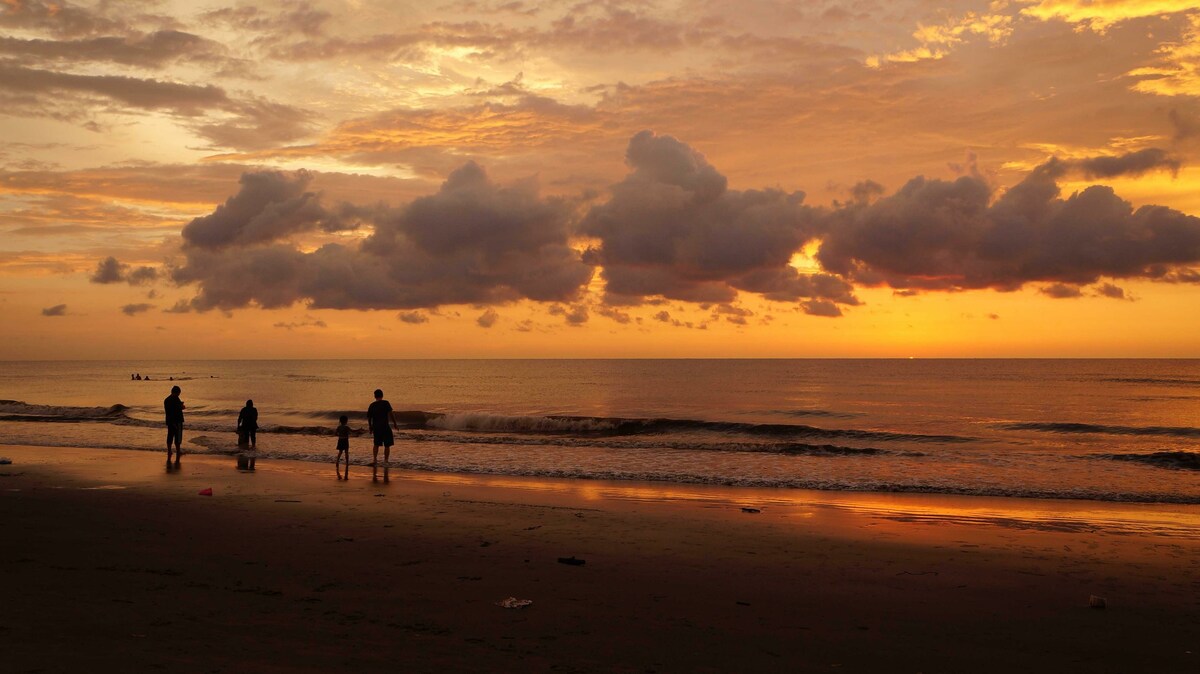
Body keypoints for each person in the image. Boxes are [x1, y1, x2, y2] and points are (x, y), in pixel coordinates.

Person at [367, 389, 398, 469]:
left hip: (376, 427)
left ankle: (374, 460)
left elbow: (369, 418)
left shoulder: (372, 405)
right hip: (385, 426)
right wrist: (395, 423)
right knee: (387, 445)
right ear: (382, 395)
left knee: (376, 444)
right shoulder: (385, 403)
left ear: (375, 396)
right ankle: (386, 461)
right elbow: (391, 414)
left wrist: (370, 427)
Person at [164, 385, 185, 465]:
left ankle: (169, 451)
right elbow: (179, 408)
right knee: (178, 437)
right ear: (177, 392)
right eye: (179, 393)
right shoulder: (176, 399)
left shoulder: (166, 400)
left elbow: (169, 411)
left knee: (170, 436)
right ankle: (178, 451)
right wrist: (182, 406)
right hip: (177, 420)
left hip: (169, 420)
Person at [335, 415, 351, 480]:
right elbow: (352, 431)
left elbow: (336, 433)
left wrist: (339, 435)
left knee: (340, 452)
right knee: (346, 452)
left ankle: (337, 461)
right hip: (345, 440)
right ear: (346, 421)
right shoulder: (347, 427)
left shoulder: (338, 427)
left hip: (340, 440)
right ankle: (347, 463)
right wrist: (359, 430)